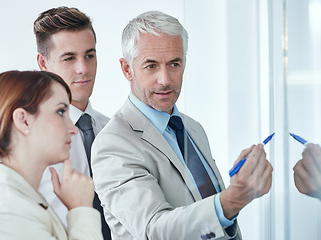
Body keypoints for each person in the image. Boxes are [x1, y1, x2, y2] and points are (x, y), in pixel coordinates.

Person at [91, 11, 273, 240]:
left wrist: (234, 196)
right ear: (127, 69)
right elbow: (154, 230)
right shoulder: (112, 144)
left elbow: (210, 218)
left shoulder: (193, 129)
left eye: (174, 63)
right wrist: (232, 199)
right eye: (151, 66)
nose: (165, 79)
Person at [0, 71, 102, 239]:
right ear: (23, 120)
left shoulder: (20, 199)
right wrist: (81, 209)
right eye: (60, 112)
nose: (73, 129)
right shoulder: (10, 210)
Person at [33, 6, 111, 239]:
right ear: (43, 63)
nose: (83, 69)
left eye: (90, 55)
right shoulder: (27, 141)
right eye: (69, 58)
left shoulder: (113, 130)